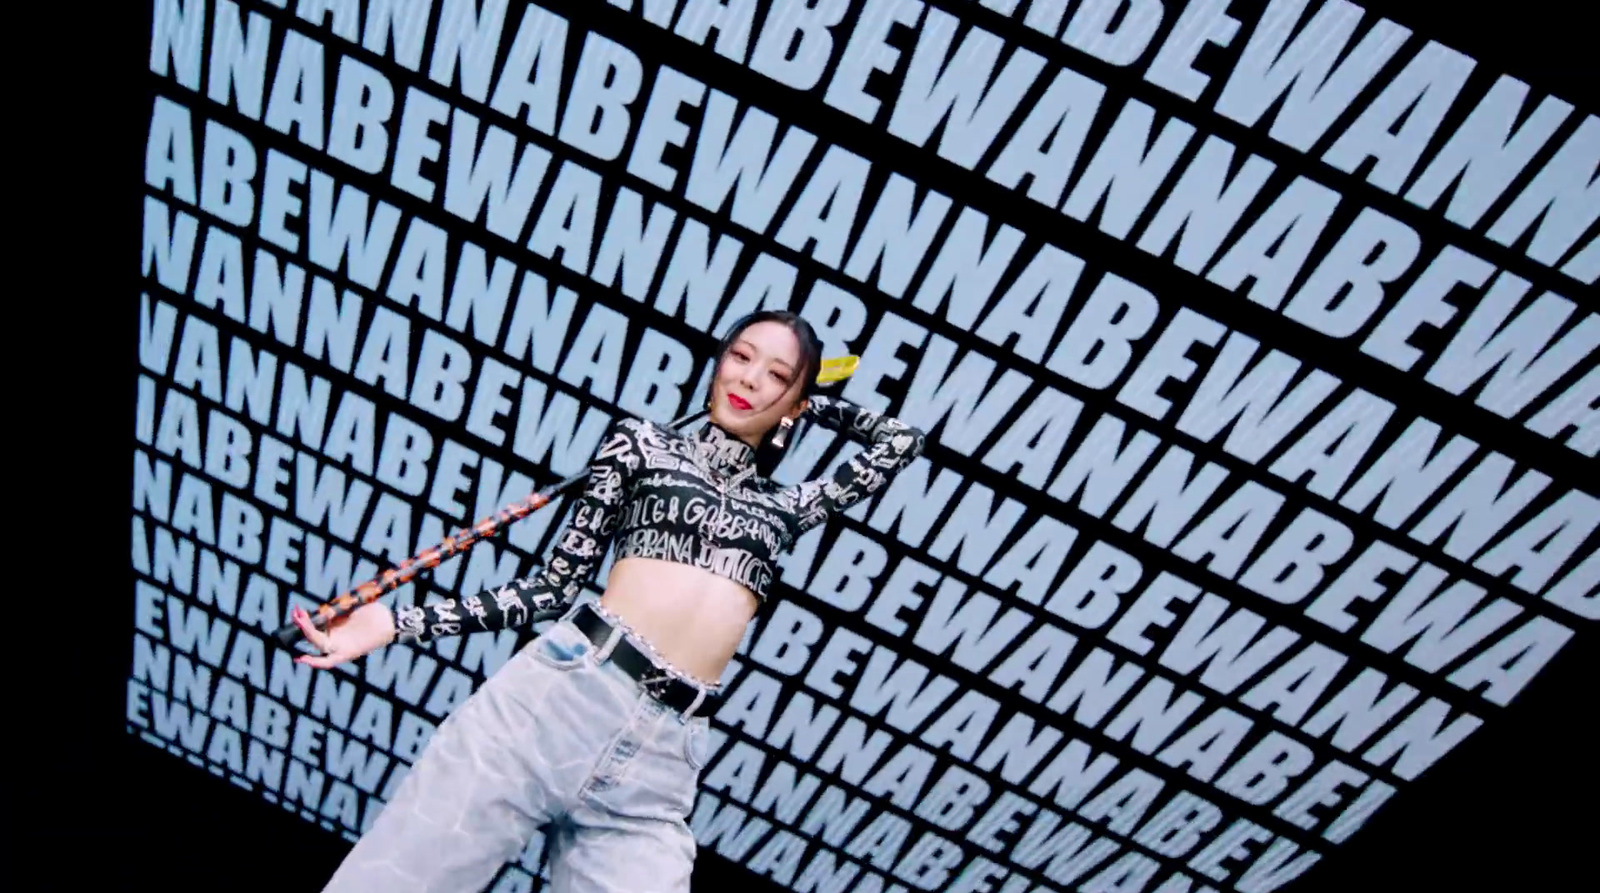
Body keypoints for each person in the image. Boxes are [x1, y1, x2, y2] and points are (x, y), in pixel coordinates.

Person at [290, 310, 927, 893]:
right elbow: (549, 591)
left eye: (777, 374)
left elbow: (900, 442)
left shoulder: (785, 508)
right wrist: (395, 623)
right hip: (558, 700)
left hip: (662, 759)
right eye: (740, 356)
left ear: (796, 397)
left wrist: (815, 405)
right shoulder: (641, 445)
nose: (751, 378)